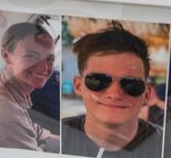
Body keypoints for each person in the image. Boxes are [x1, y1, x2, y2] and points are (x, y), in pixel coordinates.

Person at [62, 24, 162, 157]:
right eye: (98, 80)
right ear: (79, 86)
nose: (114, 94)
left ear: (147, 94)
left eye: (131, 84)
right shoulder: (54, 137)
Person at [0, 22, 59, 152]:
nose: (44, 68)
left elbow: (26, 124)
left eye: (49, 59)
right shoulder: (8, 117)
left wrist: (52, 138)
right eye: (31, 56)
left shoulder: (3, 85)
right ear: (6, 56)